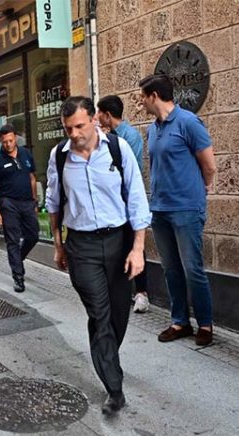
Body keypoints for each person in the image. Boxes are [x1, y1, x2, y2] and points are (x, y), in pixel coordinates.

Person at [46, 96, 150, 416]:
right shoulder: (59, 157)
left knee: (119, 311)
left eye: (79, 125)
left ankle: (108, 358)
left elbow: (136, 198)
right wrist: (58, 244)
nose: (74, 133)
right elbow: (53, 202)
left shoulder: (118, 150)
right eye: (68, 128)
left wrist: (138, 248)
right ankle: (114, 388)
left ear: (93, 119)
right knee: (100, 313)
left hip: (118, 242)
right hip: (82, 247)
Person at [138, 74, 217, 346]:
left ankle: (205, 324)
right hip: (160, 209)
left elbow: (209, 166)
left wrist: (201, 189)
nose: (141, 102)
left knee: (192, 268)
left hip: (186, 208)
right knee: (171, 269)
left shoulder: (188, 123)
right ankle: (180, 321)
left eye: (143, 97)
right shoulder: (152, 129)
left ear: (155, 96)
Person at [97, 95, 149, 314]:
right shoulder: (104, 138)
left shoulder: (130, 137)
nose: (98, 118)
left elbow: (132, 172)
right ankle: (122, 291)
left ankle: (142, 293)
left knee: (135, 244)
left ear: (108, 115)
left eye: (100, 113)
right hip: (112, 206)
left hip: (128, 203)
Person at [0, 124, 39, 293]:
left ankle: (19, 257)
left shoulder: (25, 154)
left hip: (27, 202)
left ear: (15, 137)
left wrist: (35, 200)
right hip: (8, 203)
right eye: (5, 142)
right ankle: (18, 276)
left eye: (10, 140)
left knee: (33, 235)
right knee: (13, 240)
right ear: (0, 141)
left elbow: (32, 177)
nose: (8, 144)